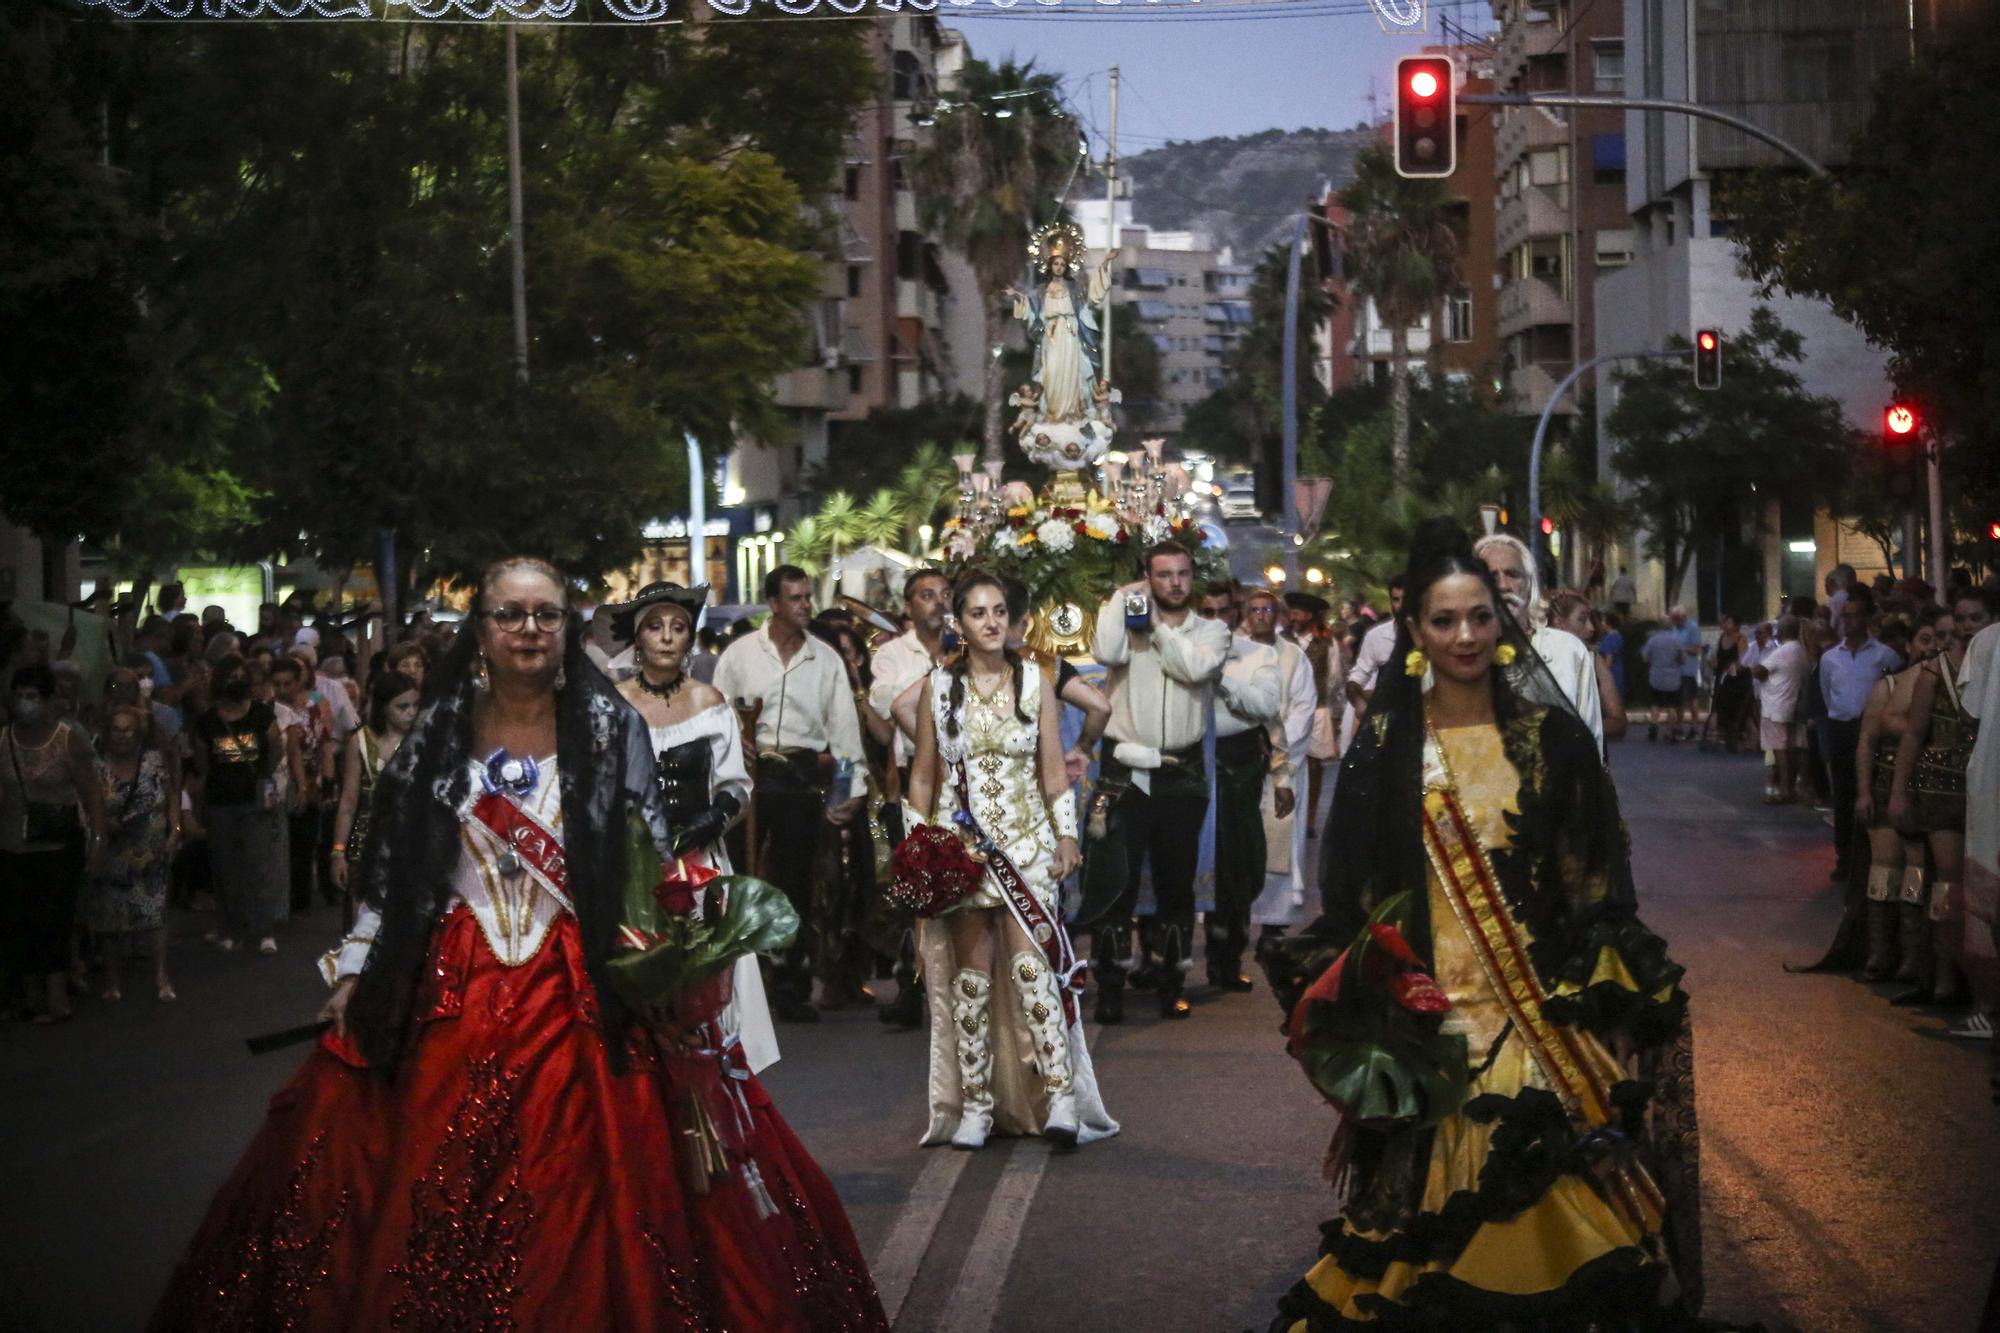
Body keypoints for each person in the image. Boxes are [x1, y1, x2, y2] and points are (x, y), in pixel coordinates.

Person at [151, 556, 888, 1331]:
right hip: (453, 982)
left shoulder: (611, 727)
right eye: (510, 614)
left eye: (546, 614)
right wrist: (359, 968)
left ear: (568, 629)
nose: (529, 629)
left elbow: (650, 859)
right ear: (481, 630)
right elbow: (399, 868)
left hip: (582, 984)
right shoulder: (439, 728)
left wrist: (676, 958)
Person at [1266, 521, 1697, 1329]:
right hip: (1433, 1029)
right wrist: (1383, 1000)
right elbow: (1355, 891)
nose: (1465, 635)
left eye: (1479, 616)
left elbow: (1594, 886)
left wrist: (1600, 1006)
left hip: (1539, 1026)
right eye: (1444, 620)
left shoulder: (1552, 740)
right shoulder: (1388, 745)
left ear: (1504, 623)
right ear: (1416, 634)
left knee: (1562, 1235)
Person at [904, 571, 1117, 1150]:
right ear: (960, 625)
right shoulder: (937, 689)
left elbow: (1054, 771)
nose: (992, 622)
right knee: (971, 983)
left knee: (1033, 973)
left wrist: (1068, 837)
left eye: (999, 611)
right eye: (978, 613)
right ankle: (975, 1105)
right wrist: (918, 848)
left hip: (1027, 848)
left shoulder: (1036, 682)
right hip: (963, 851)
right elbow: (924, 775)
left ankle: (1062, 1101)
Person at [605, 581, 779, 1074]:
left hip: (698, 865)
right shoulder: (614, 705)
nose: (666, 638)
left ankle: (717, 1075)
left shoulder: (709, 701)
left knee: (709, 971)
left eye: (677, 628)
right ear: (638, 639)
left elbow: (736, 784)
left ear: (689, 640)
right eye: (655, 628)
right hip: (634, 866)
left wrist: (709, 821)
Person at [1077, 542, 1230, 1022]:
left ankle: (1172, 982)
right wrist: (1122, 600)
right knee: (1114, 882)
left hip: (1181, 772)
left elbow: (1195, 669)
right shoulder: (1129, 614)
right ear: (1148, 577)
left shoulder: (1213, 630)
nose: (1175, 584)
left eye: (1183, 574)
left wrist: (1159, 631)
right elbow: (1105, 651)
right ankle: (1111, 986)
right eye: (1164, 575)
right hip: (1124, 770)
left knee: (1175, 884)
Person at [711, 565, 866, 1024]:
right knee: (738, 877)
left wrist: (849, 789)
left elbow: (844, 732)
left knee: (795, 881)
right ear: (774, 604)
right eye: (795, 598)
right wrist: (732, 738)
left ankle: (791, 983)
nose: (804, 606)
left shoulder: (826, 659)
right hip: (747, 775)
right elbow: (715, 711)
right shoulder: (739, 655)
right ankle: (736, 982)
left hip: (799, 775)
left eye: (807, 597)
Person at [1889, 590, 1996, 1022]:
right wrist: (1898, 791)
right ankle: (1944, 977)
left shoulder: (1992, 662)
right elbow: (1913, 734)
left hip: (1986, 790)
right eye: (1958, 623)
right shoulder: (1934, 674)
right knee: (1950, 883)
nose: (1966, 629)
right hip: (1942, 789)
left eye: (1976, 618)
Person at [868, 568, 953, 1028]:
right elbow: (889, 707)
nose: (937, 603)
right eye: (926, 596)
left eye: (944, 594)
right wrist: (939, 671)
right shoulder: (892, 655)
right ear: (908, 606)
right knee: (915, 886)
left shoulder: (967, 644)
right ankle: (911, 984)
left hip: (964, 779)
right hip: (913, 776)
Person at [0, 664, 108, 1022]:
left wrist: (97, 837)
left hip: (58, 846)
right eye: (19, 696)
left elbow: (91, 791)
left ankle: (56, 993)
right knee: (20, 921)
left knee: (55, 920)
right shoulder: (3, 740)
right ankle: (30, 995)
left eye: (32, 696)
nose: (24, 703)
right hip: (13, 845)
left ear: (48, 701)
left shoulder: (66, 739)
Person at [1198, 583, 1281, 992]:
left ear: (1238, 614)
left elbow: (1265, 708)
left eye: (1223, 611)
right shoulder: (1182, 656)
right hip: (1193, 759)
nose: (1216, 619)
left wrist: (1222, 681)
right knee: (1190, 861)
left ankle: (1229, 956)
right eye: (1207, 612)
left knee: (1240, 860)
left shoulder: (1259, 656)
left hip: (1241, 761)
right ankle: (1164, 964)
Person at [189, 655, 289, 955]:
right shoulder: (207, 722)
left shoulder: (261, 715)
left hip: (253, 800)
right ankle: (230, 927)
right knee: (225, 868)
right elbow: (202, 764)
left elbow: (275, 750)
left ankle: (263, 930)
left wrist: (262, 778)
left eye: (240, 675)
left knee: (258, 865)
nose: (236, 681)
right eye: (230, 676)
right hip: (220, 802)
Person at [1851, 617, 1930, 988]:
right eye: (1926, 639)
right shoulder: (1888, 687)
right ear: (1911, 644)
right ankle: (1880, 952)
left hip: (1931, 791)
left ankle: (1914, 957)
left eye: (1941, 639)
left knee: (1917, 877)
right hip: (1886, 787)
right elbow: (1866, 741)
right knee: (1884, 871)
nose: (1932, 647)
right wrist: (1864, 792)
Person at [1474, 533, 1605, 751]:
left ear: (1530, 584)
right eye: (1491, 576)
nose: (1503, 585)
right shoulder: (1461, 650)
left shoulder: (1567, 650)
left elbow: (1591, 738)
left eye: (1512, 574)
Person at [86, 704, 180, 1003]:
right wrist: (102, 826)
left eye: (129, 729)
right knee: (110, 915)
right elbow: (86, 804)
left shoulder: (154, 761)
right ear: (107, 732)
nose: (123, 735)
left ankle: (161, 975)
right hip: (112, 846)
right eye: (117, 728)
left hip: (151, 845)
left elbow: (172, 793)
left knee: (155, 912)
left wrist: (175, 829)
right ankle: (113, 981)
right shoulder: (96, 765)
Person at [1247, 587, 1318, 961]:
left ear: (1277, 615)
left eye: (1267, 610)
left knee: (1279, 837)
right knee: (1243, 840)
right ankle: (1236, 917)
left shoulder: (1295, 658)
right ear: (1246, 614)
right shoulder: (1231, 653)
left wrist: (1275, 748)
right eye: (1254, 609)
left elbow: (1303, 709)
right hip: (1241, 765)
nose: (1260, 615)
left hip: (1281, 766)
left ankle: (1274, 923)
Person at [1821, 587, 1903, 886]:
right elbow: (1828, 695)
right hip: (1842, 729)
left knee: (1870, 793)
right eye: (1845, 617)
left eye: (1855, 616)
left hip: (1873, 730)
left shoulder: (1885, 656)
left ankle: (1872, 855)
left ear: (1866, 618)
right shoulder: (1831, 658)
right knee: (1843, 795)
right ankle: (1845, 858)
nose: (1849, 622)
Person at [327, 670, 420, 917]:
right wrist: (338, 852)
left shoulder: (424, 741)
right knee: (362, 925)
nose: (411, 712)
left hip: (410, 842)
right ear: (383, 707)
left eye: (415, 705)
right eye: (402, 706)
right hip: (365, 842)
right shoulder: (360, 741)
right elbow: (348, 802)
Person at [1548, 590, 1628, 745]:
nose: (1591, 628)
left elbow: (1619, 722)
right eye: (1582, 620)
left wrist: (1581, 728)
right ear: (1559, 622)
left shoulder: (1593, 660)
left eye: (1591, 620)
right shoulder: (1533, 659)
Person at [1752, 616, 1810, 804]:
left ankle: (1785, 788)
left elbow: (1760, 671)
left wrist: (1751, 670)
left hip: (1775, 705)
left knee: (1780, 750)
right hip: (1791, 703)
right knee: (1793, 748)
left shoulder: (1782, 651)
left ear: (1782, 631)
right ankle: (1793, 786)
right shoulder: (1801, 651)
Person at [1710, 613, 1752, 751]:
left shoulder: (1741, 639)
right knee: (1718, 702)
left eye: (1729, 622)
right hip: (1722, 676)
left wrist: (1733, 669)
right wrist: (1713, 663)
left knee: (1734, 703)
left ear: (1736, 626)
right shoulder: (1722, 638)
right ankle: (1721, 732)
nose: (1725, 625)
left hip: (1736, 679)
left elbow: (1743, 661)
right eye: (1725, 622)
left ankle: (1737, 732)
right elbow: (1716, 656)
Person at [1644, 619, 1689, 744]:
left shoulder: (1653, 640)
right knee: (1672, 705)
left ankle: (1654, 724)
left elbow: (1645, 656)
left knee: (1655, 703)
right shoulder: (1677, 640)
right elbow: (1683, 659)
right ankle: (1670, 731)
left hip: (1656, 676)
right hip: (1673, 678)